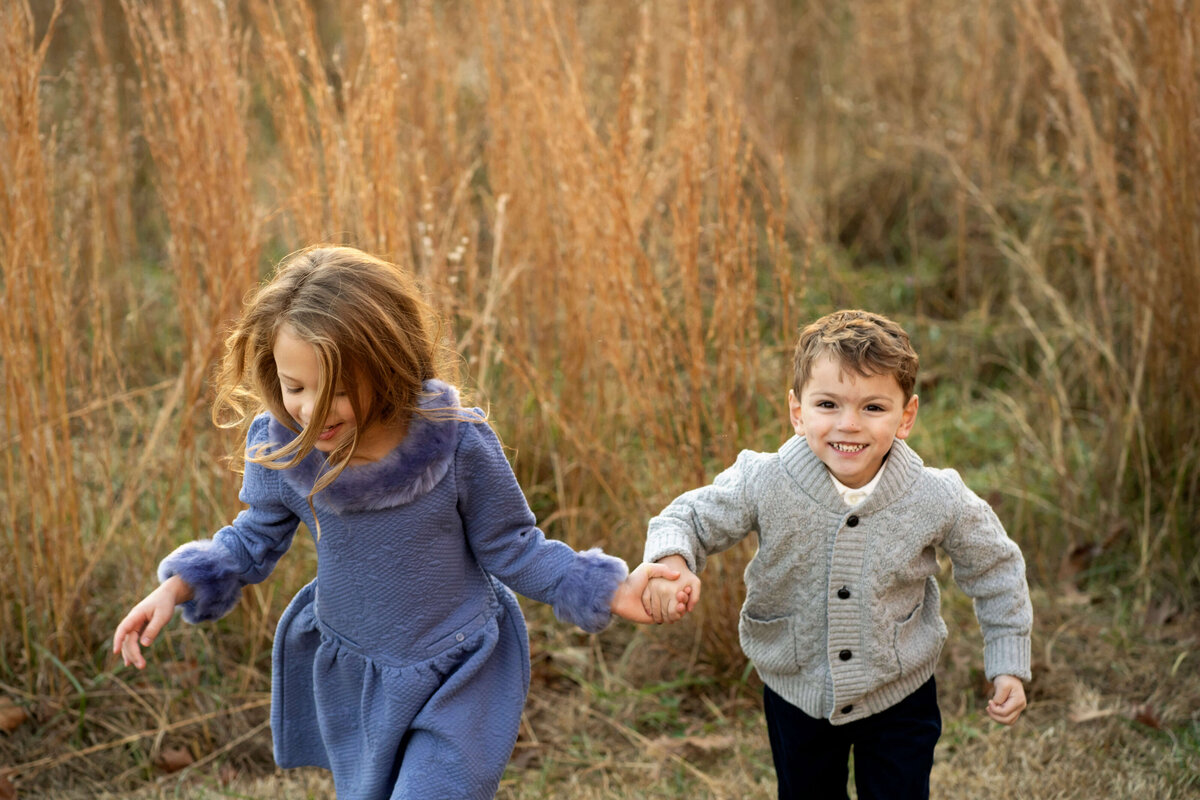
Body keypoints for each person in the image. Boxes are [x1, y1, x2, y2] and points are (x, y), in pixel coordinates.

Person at [113, 245, 678, 800]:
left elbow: (513, 545)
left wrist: (607, 589)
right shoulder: (283, 447)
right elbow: (254, 538)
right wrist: (180, 583)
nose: (309, 410)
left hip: (461, 668)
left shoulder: (454, 439)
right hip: (358, 674)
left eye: (335, 390)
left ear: (386, 364)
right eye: (295, 387)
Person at [640, 309, 1032, 800]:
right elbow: (689, 518)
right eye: (828, 404)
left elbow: (994, 564)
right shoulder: (766, 480)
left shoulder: (935, 495)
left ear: (905, 417)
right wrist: (671, 562)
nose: (849, 425)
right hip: (797, 689)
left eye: (873, 407)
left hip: (899, 691)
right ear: (797, 412)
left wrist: (1008, 661)